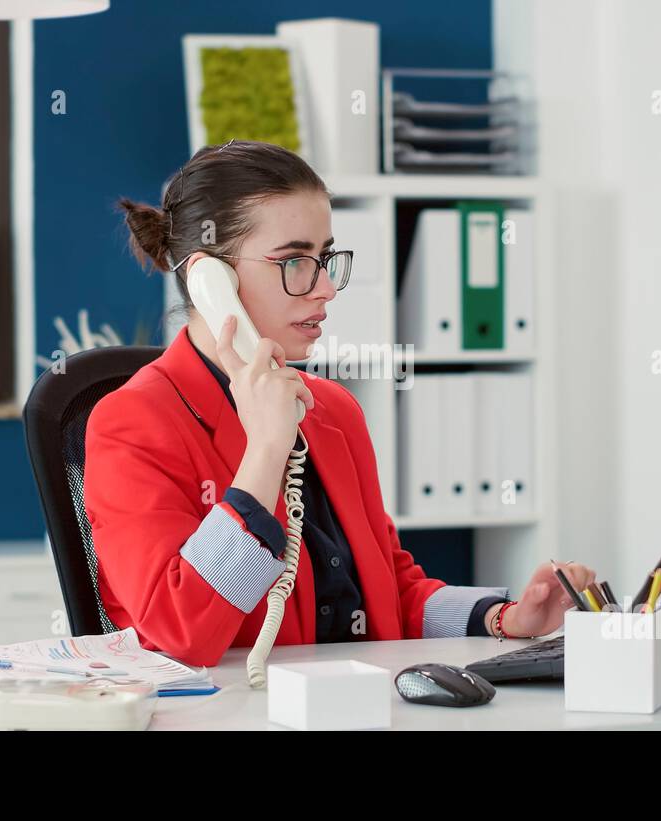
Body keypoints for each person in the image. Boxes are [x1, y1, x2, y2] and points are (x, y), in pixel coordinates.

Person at [83, 140, 597, 667]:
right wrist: (264, 453)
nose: (326, 288)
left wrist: (504, 618)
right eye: (294, 261)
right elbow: (180, 632)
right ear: (209, 278)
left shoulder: (331, 409)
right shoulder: (131, 423)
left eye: (324, 258)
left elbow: (388, 592)